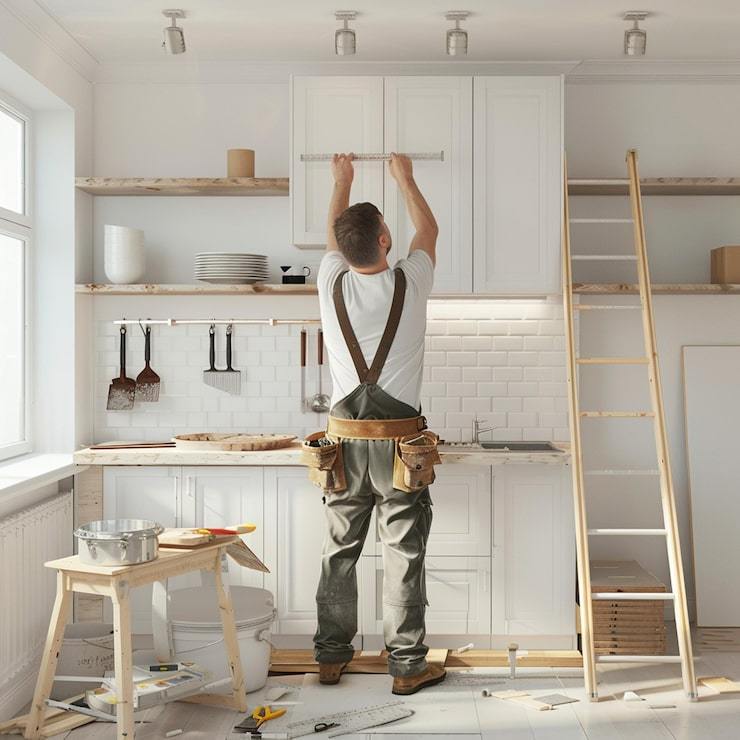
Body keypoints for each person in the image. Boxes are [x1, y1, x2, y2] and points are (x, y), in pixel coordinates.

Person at [312, 152, 445, 696]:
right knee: (403, 555)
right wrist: (405, 178)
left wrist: (341, 181)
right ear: (386, 242)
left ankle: (329, 657)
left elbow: (333, 233)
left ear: (343, 250)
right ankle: (407, 666)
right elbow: (429, 228)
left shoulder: (329, 280)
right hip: (399, 449)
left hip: (342, 447)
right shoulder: (411, 282)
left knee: (339, 553)